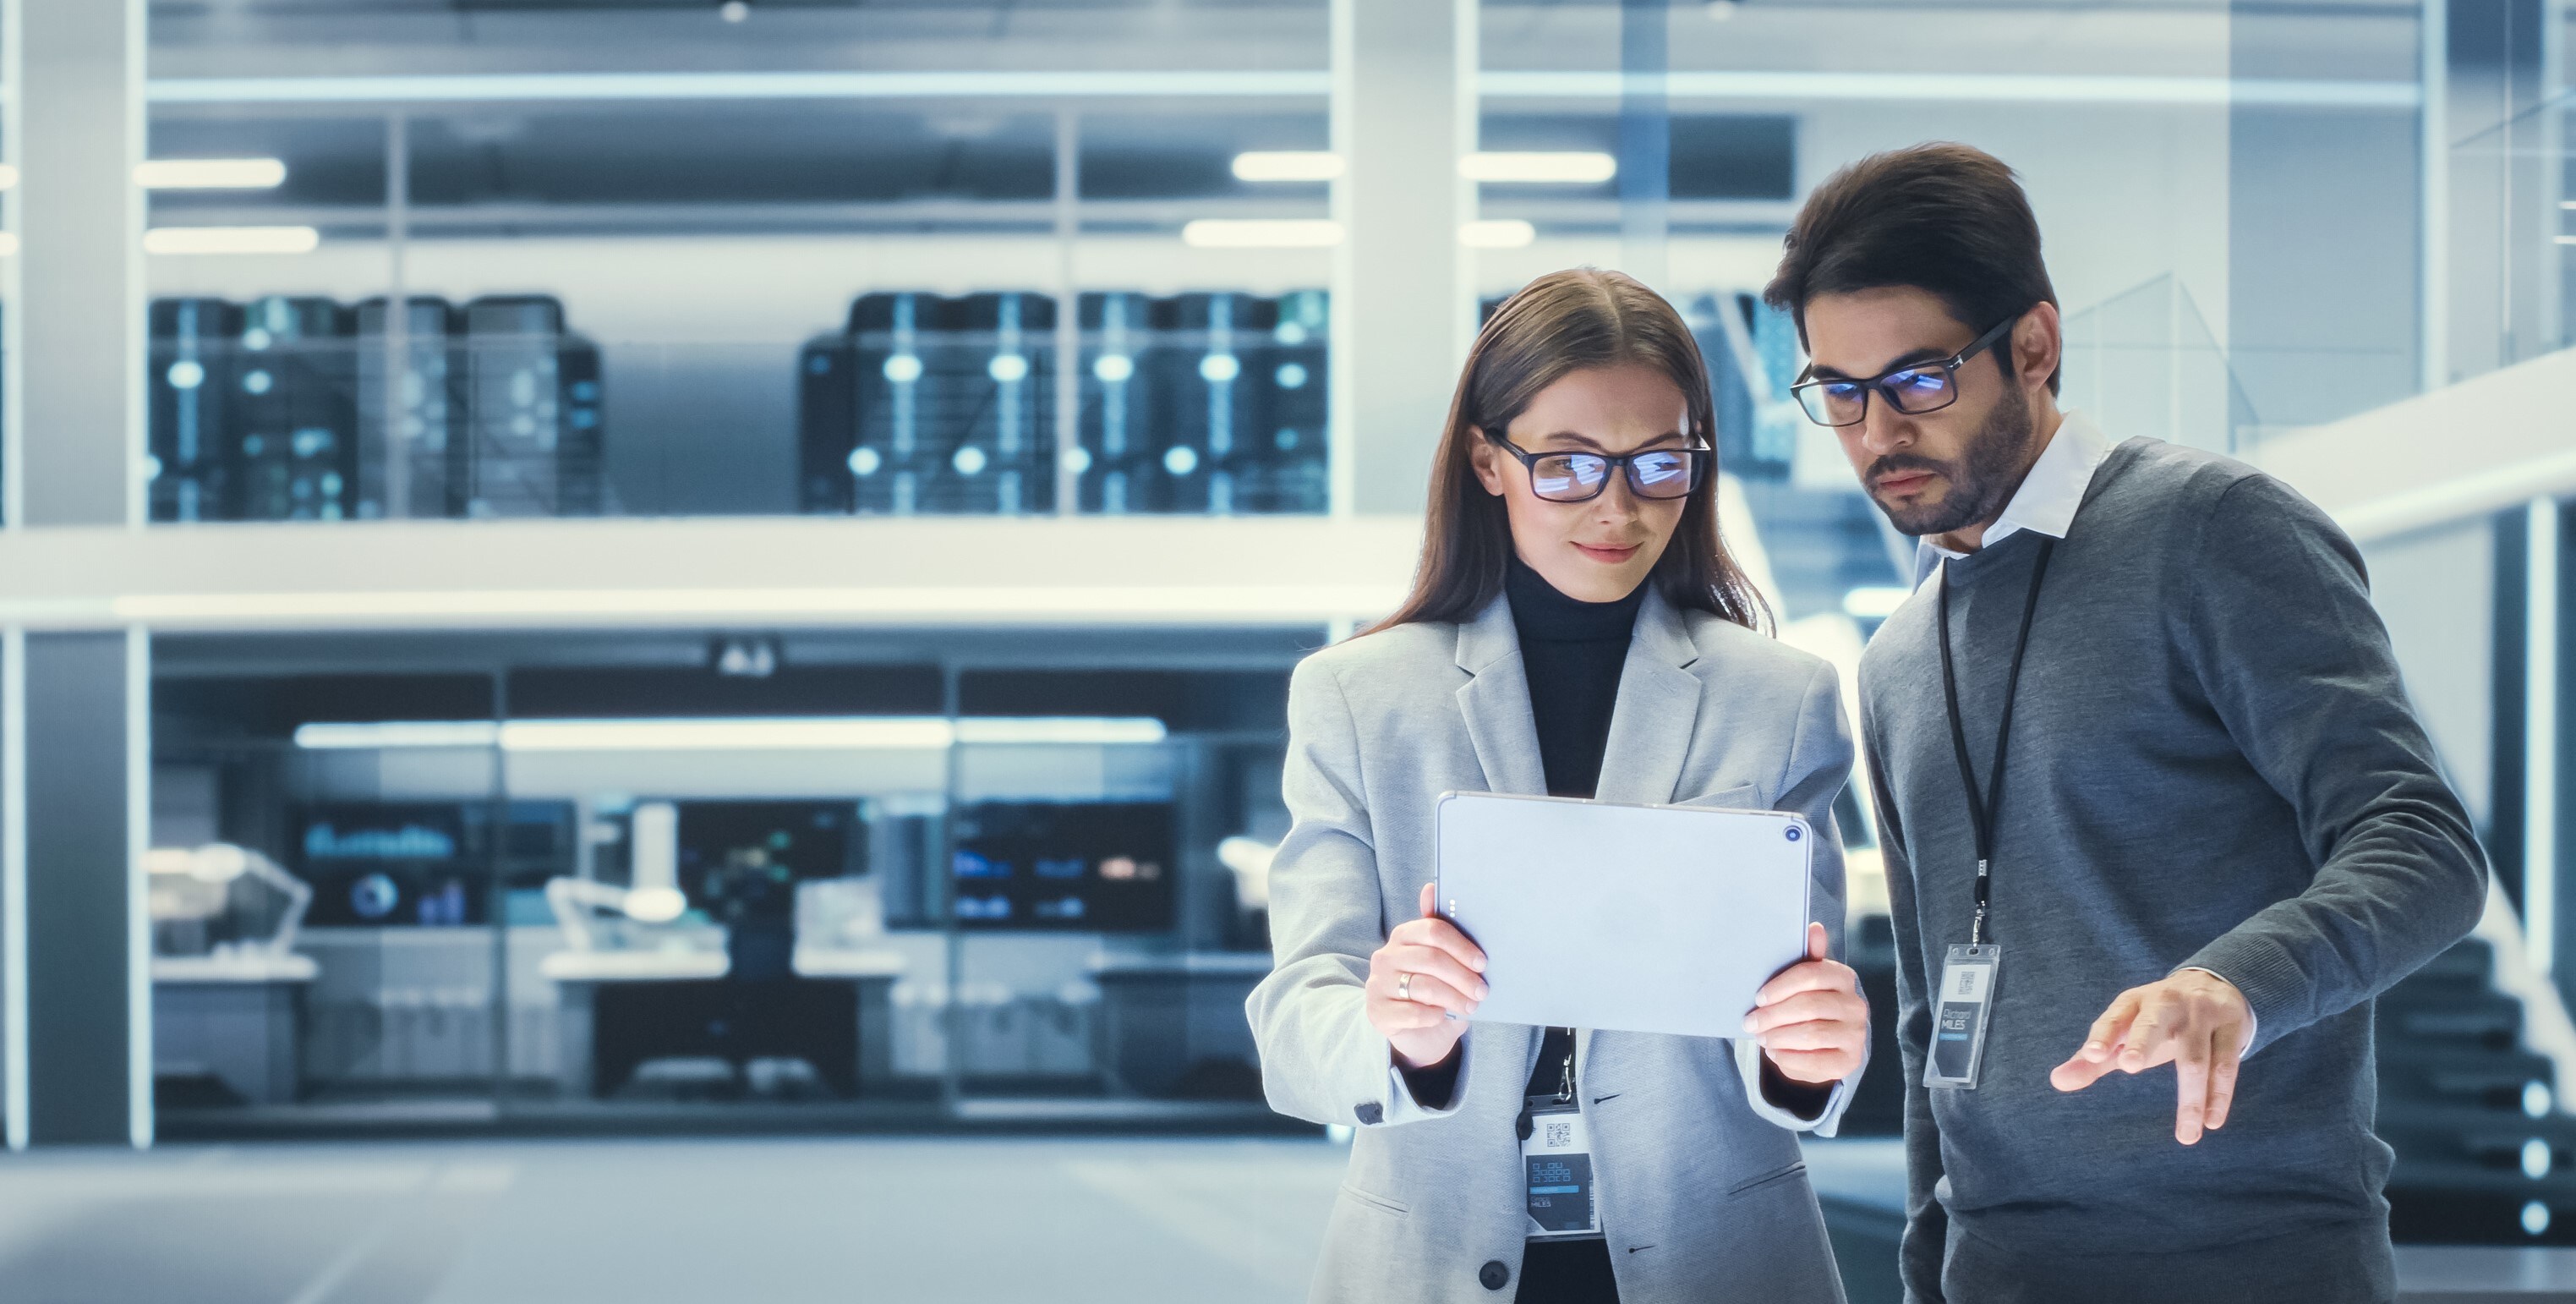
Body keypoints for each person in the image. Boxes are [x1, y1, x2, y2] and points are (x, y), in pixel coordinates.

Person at [1760, 142, 2489, 1303]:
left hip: (2253, 1266)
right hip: (1998, 1273)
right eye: (1834, 392)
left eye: (1916, 380)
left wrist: (2234, 983)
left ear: (2033, 346)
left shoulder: (2209, 531)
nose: (1872, 431)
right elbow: (1924, 1029)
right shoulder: (1896, 658)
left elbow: (2423, 845)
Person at [1247, 268, 1872, 1304]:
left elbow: (1796, 1040)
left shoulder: (1781, 698)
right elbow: (1295, 1029)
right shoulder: (1358, 696)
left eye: (1659, 462)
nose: (1617, 508)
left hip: (1717, 1254)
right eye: (1569, 464)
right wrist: (1393, 1032)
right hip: (1433, 1257)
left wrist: (1812, 1050)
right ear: (1488, 461)